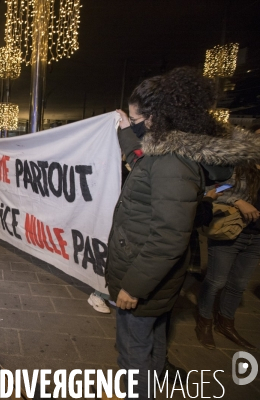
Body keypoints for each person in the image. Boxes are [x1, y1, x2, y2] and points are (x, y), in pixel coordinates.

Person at [106, 67, 260, 398]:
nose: (133, 125)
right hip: (156, 281)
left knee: (134, 354)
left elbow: (168, 237)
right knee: (154, 339)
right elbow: (140, 160)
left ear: (153, 120)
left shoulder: (172, 163)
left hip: (143, 278)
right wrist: (124, 130)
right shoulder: (170, 153)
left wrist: (133, 287)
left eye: (135, 120)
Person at [196, 161, 260, 350]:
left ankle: (226, 324)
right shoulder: (236, 166)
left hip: (256, 237)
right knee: (216, 281)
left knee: (239, 284)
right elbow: (213, 189)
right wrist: (238, 202)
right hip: (230, 229)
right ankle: (204, 322)